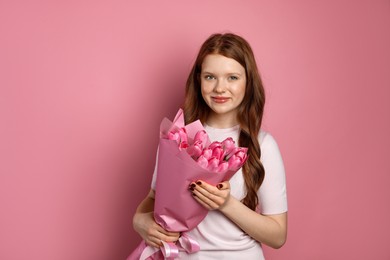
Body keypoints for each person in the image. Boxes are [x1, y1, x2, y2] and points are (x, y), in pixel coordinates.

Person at [132, 33, 287, 259]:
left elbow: (278, 235)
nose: (220, 88)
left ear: (248, 82)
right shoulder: (178, 137)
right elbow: (153, 197)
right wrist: (139, 220)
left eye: (232, 77)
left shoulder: (263, 145)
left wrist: (226, 204)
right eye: (210, 77)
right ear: (198, 80)